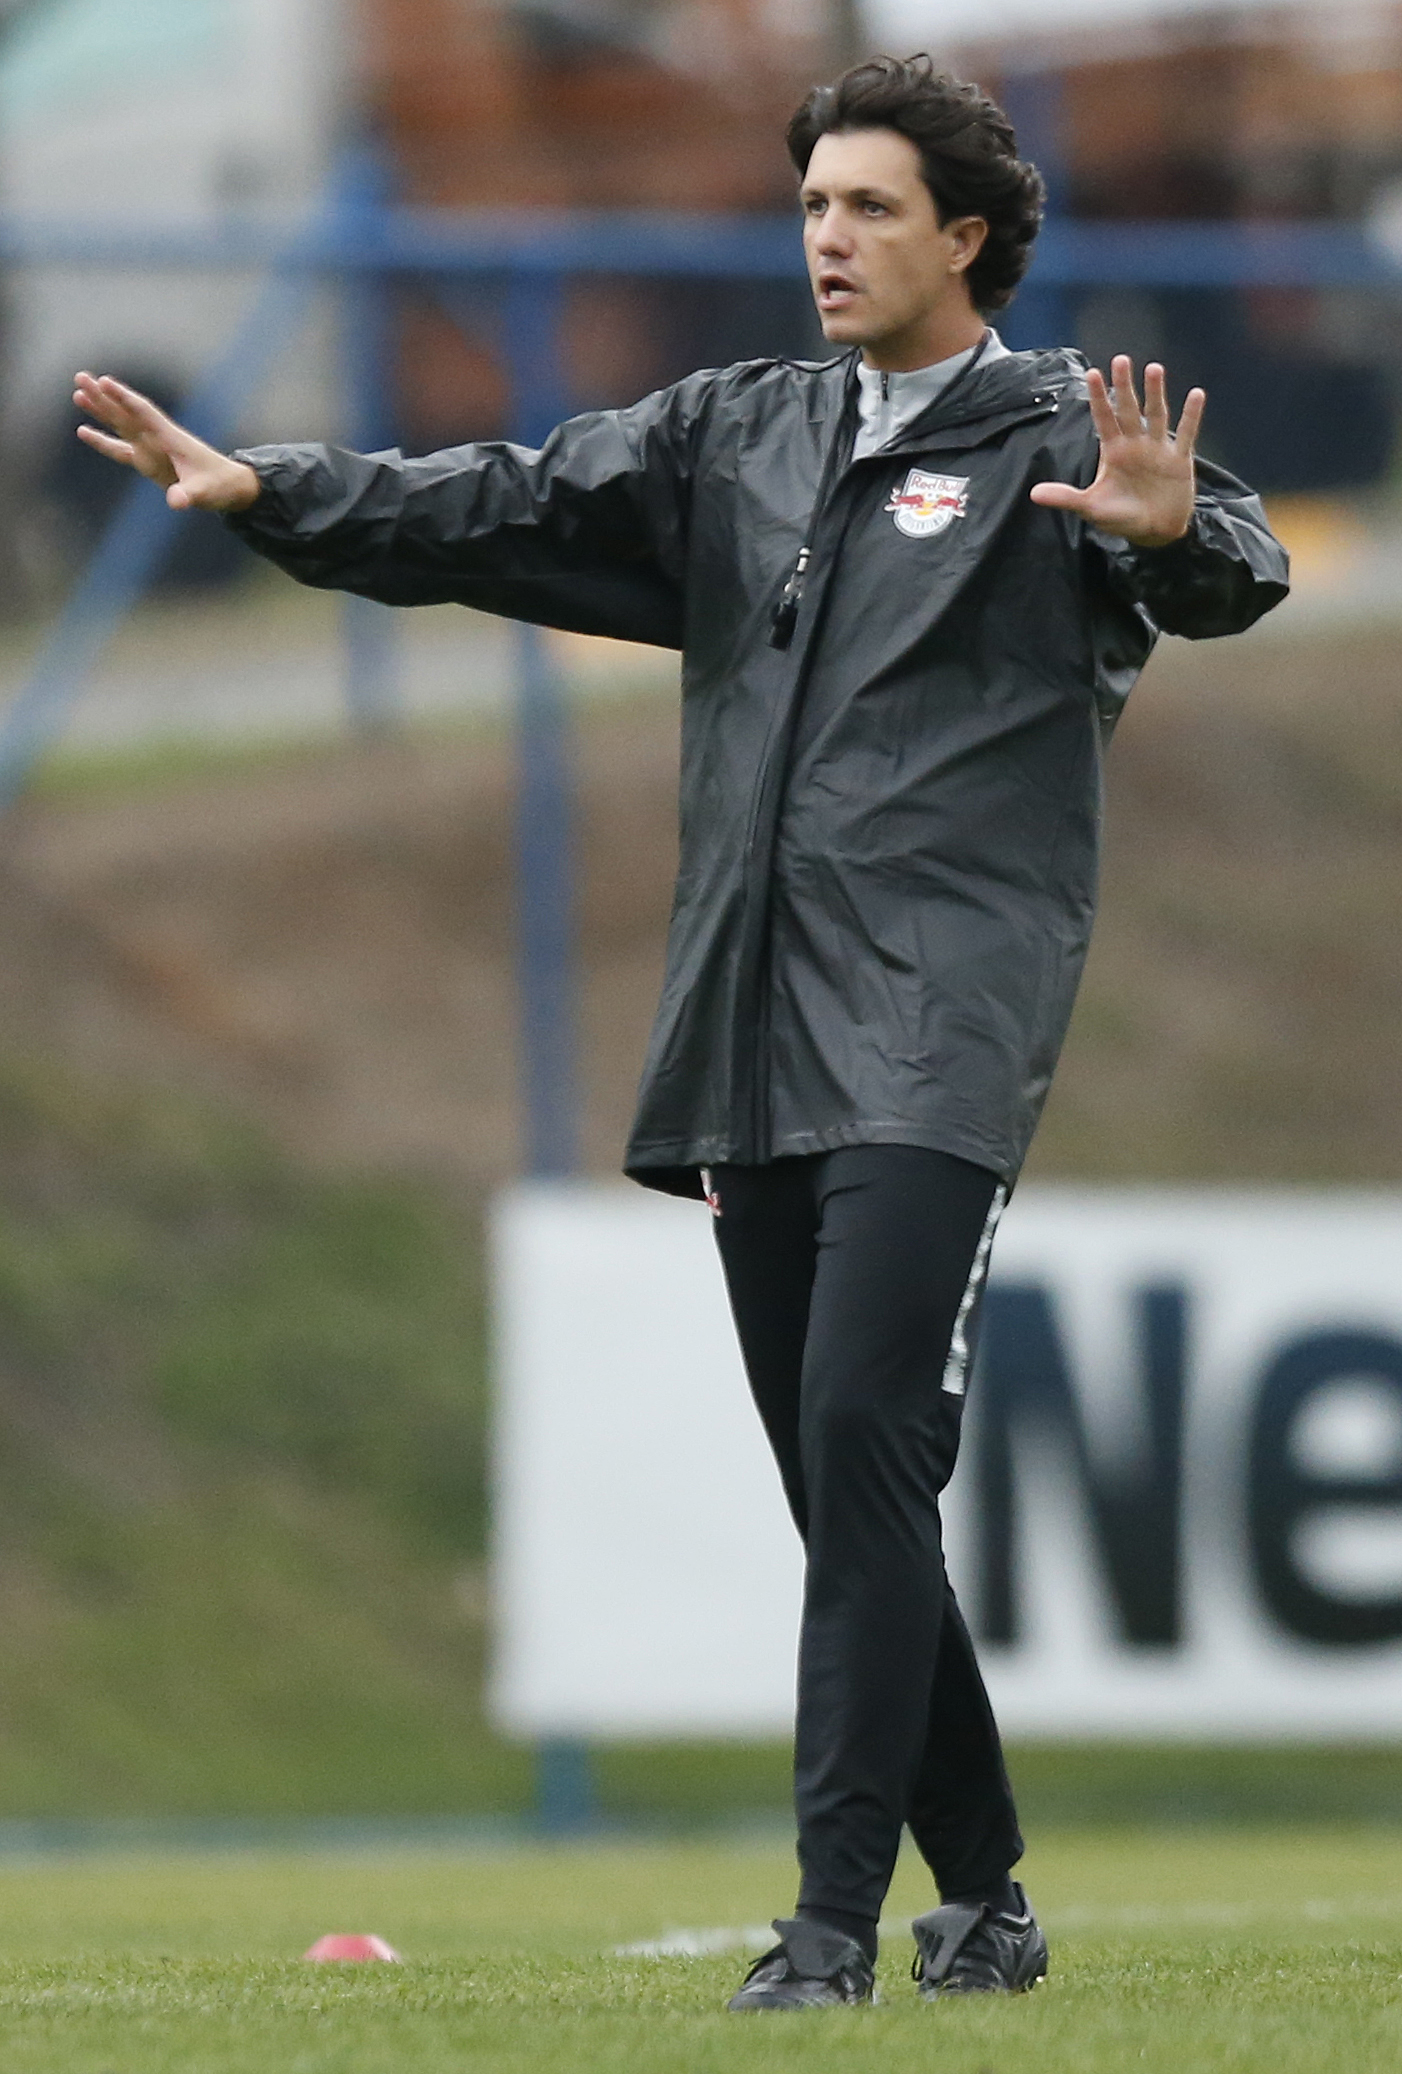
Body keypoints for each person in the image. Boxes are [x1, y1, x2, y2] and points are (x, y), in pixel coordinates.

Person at [73, 54, 1288, 2010]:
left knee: (866, 1436)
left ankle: (825, 1931)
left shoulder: (1056, 429)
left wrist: (1166, 537)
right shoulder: (743, 431)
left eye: (871, 207)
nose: (826, 235)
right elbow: (502, 496)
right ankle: (984, 1893)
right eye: (813, 203)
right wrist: (271, 487)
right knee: (844, 1479)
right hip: (748, 1021)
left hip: (939, 1030)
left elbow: (1231, 558)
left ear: (965, 235)